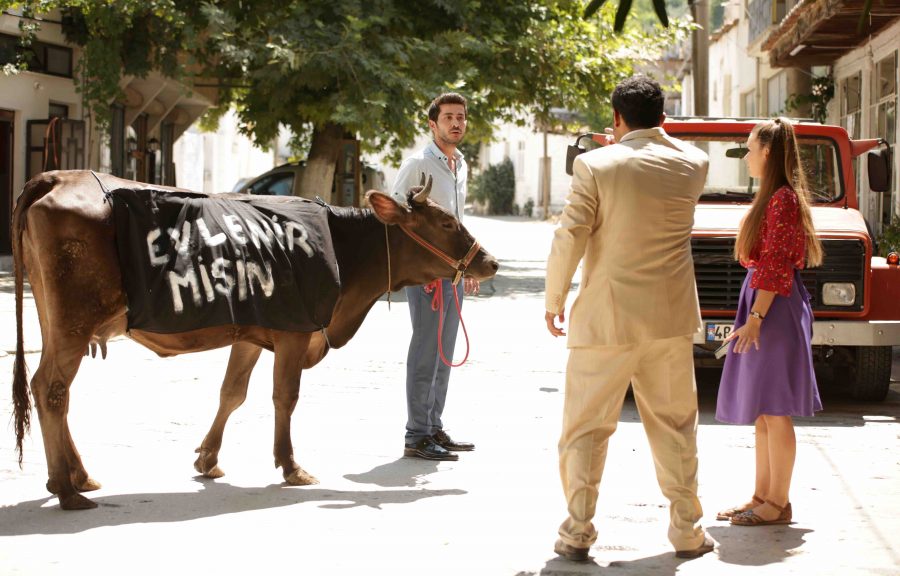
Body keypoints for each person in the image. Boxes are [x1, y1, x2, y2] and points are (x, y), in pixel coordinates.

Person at [544, 75, 714, 562]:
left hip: (607, 317)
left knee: (585, 429)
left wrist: (554, 299)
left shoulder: (595, 164)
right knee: (676, 427)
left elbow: (570, 235)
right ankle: (687, 531)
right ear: (663, 117)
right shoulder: (694, 163)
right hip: (670, 316)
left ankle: (577, 530)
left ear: (616, 118)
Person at [715, 117, 823, 526]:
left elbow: (776, 264)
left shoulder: (783, 199)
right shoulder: (775, 197)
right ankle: (761, 496)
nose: (745, 156)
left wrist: (757, 316)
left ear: (768, 153)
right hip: (766, 303)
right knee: (763, 410)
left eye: (749, 147)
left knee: (775, 409)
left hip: (772, 307)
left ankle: (777, 503)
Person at [391, 92, 479, 461]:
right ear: (433, 124)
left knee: (445, 353)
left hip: (453, 273)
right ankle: (416, 435)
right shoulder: (417, 164)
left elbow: (456, 223)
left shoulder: (460, 165)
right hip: (427, 275)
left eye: (460, 117)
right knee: (426, 349)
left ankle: (433, 426)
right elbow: (396, 216)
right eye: (448, 117)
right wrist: (417, 267)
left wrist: (468, 266)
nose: (456, 123)